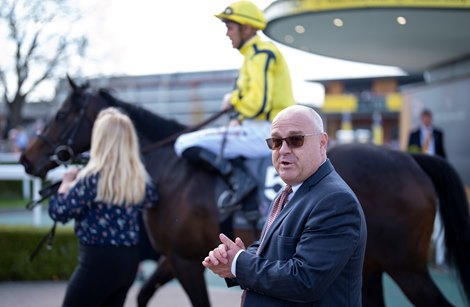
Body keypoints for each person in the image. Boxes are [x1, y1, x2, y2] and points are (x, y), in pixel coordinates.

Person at [202, 105, 367, 306]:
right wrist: (234, 258)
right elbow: (276, 253)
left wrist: (239, 263)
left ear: (322, 143)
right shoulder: (290, 190)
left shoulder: (336, 201)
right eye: (276, 142)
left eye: (296, 140)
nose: (284, 150)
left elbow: (304, 281)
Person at [174, 0, 295, 212]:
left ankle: (239, 181)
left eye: (230, 27)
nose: (227, 34)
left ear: (246, 28)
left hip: (264, 131)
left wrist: (233, 100)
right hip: (259, 128)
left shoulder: (261, 53)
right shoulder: (253, 55)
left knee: (183, 143)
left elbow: (259, 104)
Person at [48, 107, 158, 307]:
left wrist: (65, 186)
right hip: (129, 262)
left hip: (97, 261)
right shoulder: (139, 177)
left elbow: (59, 212)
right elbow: (151, 199)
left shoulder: (91, 178)